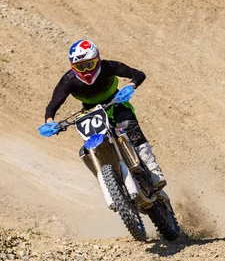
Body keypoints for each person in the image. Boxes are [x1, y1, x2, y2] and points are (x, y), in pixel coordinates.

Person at [38, 39, 166, 190]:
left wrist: (132, 85)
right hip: (91, 112)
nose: (85, 71)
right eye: (80, 67)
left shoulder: (108, 67)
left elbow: (138, 74)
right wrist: (50, 122)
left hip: (116, 102)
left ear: (97, 60)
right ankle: (108, 182)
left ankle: (153, 170)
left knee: (131, 128)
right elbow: (53, 104)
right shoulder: (68, 81)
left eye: (89, 65)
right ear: (73, 67)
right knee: (89, 147)